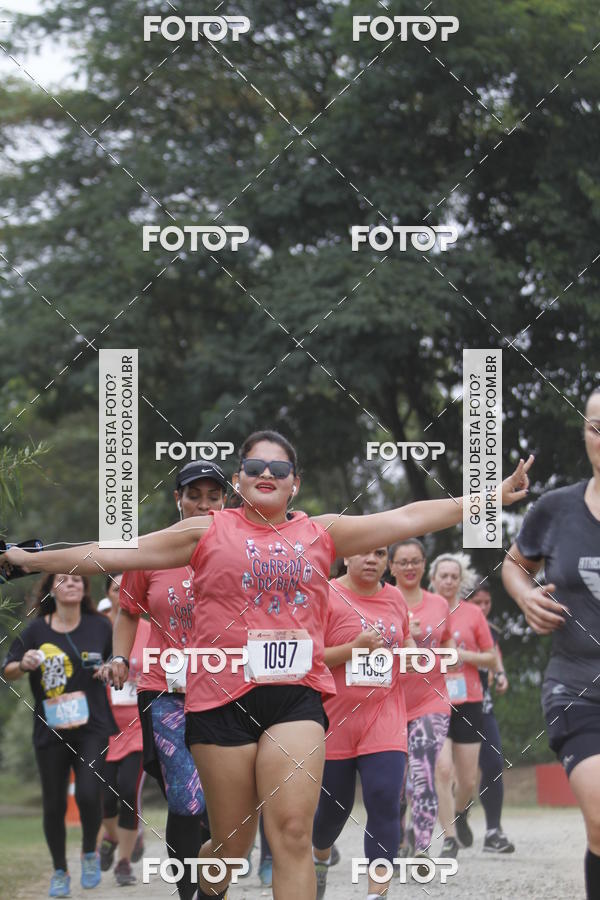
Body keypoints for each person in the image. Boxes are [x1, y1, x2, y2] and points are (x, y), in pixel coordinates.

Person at [1, 431, 532, 900]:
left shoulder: (319, 533)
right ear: (240, 479)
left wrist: (488, 497)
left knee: (294, 832)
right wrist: (25, 560)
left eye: (279, 469)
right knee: (232, 845)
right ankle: (212, 878)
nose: (266, 475)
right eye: (255, 467)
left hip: (295, 697)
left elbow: (407, 516)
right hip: (220, 701)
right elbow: (113, 553)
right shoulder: (206, 531)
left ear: (293, 483)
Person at [108, 462, 227, 900]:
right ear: (177, 498)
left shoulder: (237, 549)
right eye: (194, 494)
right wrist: (121, 655)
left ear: (226, 502)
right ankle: (188, 893)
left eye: (213, 496)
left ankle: (216, 878)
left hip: (227, 688)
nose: (203, 504)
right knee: (186, 797)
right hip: (165, 689)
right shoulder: (153, 550)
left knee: (223, 800)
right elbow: (127, 610)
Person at [502, 388, 600, 900]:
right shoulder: (557, 509)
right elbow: (516, 564)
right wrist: (524, 597)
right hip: (578, 687)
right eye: (595, 427)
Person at [2, 573, 115, 898]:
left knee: (89, 794)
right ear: (51, 588)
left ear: (85, 589)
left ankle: (90, 854)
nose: (72, 583)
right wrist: (23, 663)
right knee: (53, 804)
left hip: (93, 724)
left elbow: (115, 661)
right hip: (50, 727)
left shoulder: (100, 626)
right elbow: (7, 669)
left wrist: (109, 668)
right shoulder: (36, 630)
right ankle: (60, 871)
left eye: (79, 579)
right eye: (64, 579)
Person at [312, 547, 412, 899]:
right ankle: (320, 857)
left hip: (384, 717)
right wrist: (356, 648)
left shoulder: (396, 598)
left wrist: (412, 656)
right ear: (345, 558)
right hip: (333, 722)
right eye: (363, 552)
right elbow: (310, 657)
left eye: (380, 553)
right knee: (331, 813)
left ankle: (377, 892)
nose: (372, 559)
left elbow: (406, 637)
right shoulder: (325, 594)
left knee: (385, 799)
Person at [389, 539, 455, 864]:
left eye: (415, 561)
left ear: (424, 564)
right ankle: (400, 838)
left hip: (432, 699)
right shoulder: (383, 601)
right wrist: (403, 636)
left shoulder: (440, 604)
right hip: (391, 701)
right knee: (397, 783)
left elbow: (449, 643)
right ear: (392, 567)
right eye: (402, 562)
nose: (410, 567)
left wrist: (449, 657)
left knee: (424, 772)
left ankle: (422, 848)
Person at [431, 553, 497, 858]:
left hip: (469, 699)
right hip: (433, 699)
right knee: (442, 769)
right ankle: (449, 838)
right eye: (442, 576)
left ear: (461, 581)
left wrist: (464, 657)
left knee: (468, 779)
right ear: (432, 579)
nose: (448, 581)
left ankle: (460, 812)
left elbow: (491, 658)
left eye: (453, 577)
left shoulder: (473, 613)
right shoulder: (424, 611)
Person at [98, 572, 150, 885]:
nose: (124, 592)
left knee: (129, 789)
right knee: (104, 796)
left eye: (128, 587)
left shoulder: (150, 629)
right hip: (103, 725)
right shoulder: (98, 628)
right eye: (117, 588)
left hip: (139, 723)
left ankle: (125, 862)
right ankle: (117, 836)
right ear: (110, 594)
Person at [468, 586, 515, 853]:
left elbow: (495, 658)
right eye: (478, 602)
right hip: (452, 707)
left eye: (487, 602)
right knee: (444, 771)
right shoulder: (451, 621)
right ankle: (417, 832)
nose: (483, 608)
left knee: (494, 763)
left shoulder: (492, 630)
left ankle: (493, 831)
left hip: (483, 708)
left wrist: (501, 675)